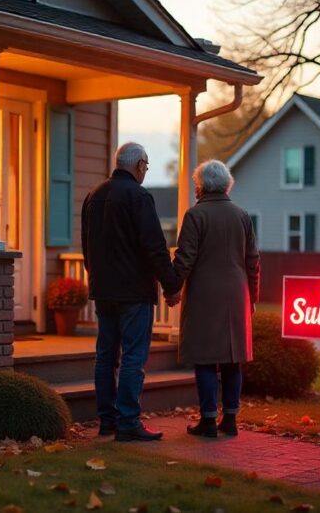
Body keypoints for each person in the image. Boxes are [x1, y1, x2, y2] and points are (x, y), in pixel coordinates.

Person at [81, 142, 182, 442]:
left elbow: (87, 245)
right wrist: (172, 285)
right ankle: (127, 422)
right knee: (133, 358)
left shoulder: (93, 196)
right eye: (146, 166)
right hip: (133, 292)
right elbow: (154, 246)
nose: (146, 172)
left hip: (103, 290)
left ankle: (106, 421)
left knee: (105, 356)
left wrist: (95, 275)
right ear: (138, 165)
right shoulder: (139, 196)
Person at [171, 160, 260, 438]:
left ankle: (208, 420)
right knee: (233, 359)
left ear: (201, 186)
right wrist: (253, 298)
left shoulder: (196, 216)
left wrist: (172, 287)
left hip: (204, 295)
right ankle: (230, 419)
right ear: (226, 184)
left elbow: (184, 259)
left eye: (196, 184)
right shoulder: (242, 215)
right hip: (237, 295)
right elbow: (253, 261)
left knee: (206, 359)